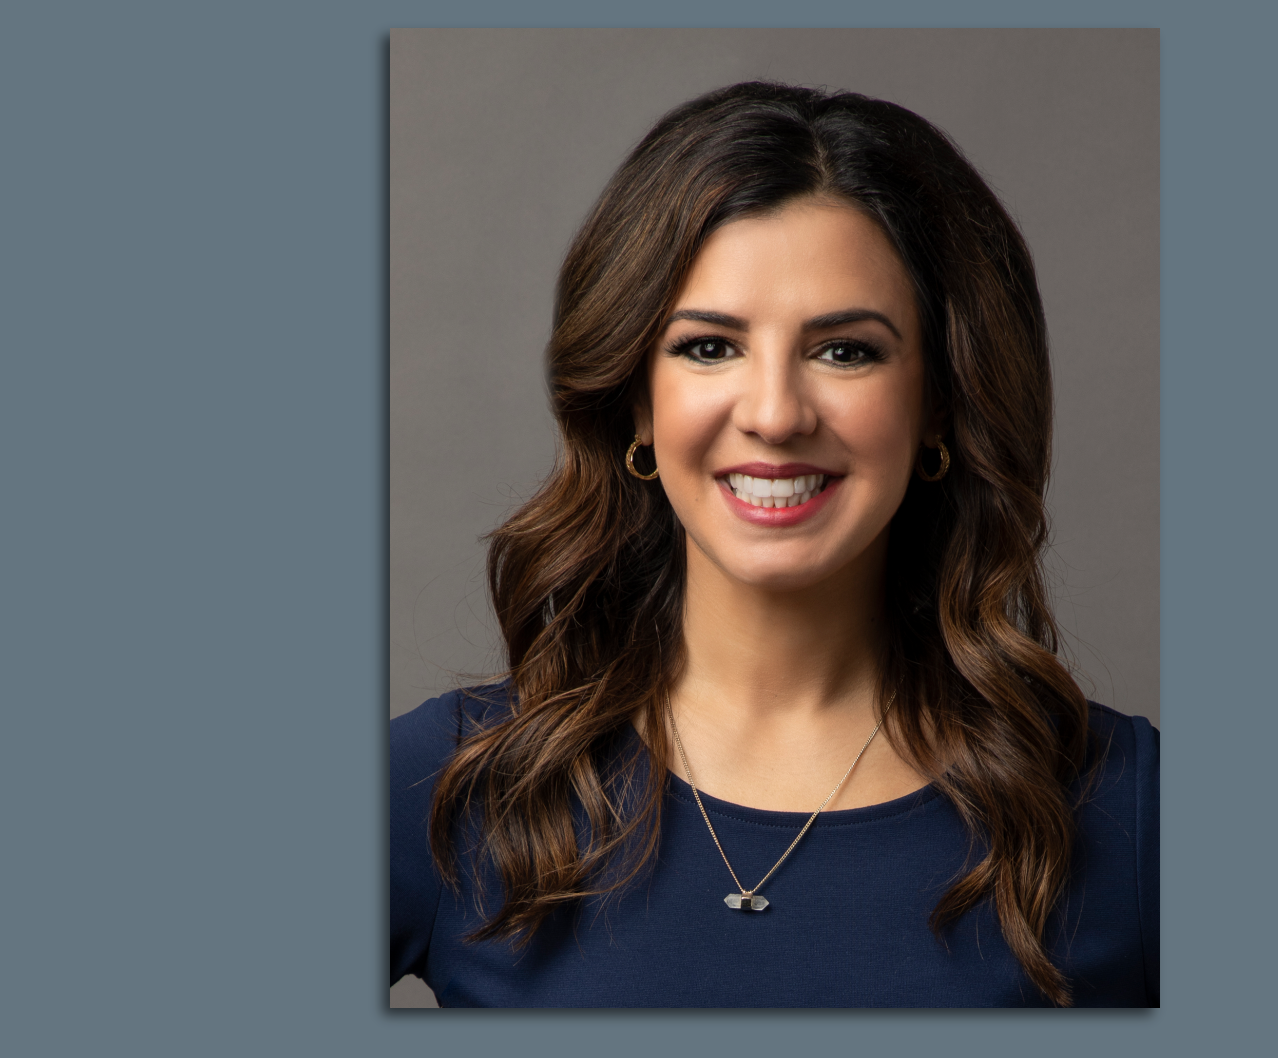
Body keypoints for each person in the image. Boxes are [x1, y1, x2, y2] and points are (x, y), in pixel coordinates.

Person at [390, 81, 1158, 1007]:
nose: (774, 415)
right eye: (709, 348)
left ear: (939, 403)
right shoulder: (455, 786)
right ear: (636, 398)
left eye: (845, 351)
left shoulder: (1129, 816)